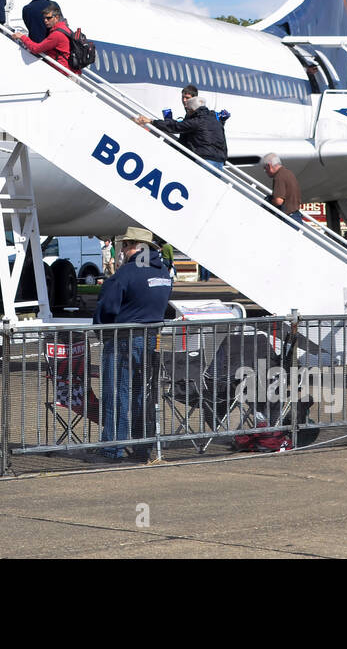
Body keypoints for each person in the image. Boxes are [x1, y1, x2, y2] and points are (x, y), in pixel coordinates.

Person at [92, 226, 172, 462]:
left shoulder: (127, 273)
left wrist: (101, 329)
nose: (123, 250)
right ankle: (141, 446)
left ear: (134, 247)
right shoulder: (163, 272)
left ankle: (113, 447)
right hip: (150, 337)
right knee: (141, 393)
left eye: (125, 245)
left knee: (116, 392)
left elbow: (107, 307)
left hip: (122, 338)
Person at [134, 84, 228, 169]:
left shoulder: (197, 120)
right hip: (219, 161)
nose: (184, 101)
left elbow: (177, 127)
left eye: (187, 98)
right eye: (183, 97)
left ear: (194, 100)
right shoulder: (211, 117)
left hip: (205, 160)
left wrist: (152, 121)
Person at [14, 3, 76, 73]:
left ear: (57, 18)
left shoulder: (57, 34)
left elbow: (36, 49)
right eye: (44, 18)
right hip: (69, 70)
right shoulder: (64, 28)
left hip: (63, 72)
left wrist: (22, 37)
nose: (45, 20)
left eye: (49, 18)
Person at [262, 153, 303, 224]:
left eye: (265, 169)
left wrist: (269, 202)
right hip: (296, 215)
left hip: (288, 219)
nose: (266, 172)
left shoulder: (279, 177)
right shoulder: (288, 173)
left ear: (269, 166)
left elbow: (278, 201)